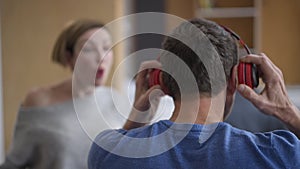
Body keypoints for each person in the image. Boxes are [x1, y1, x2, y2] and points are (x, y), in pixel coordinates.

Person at [88, 18, 300, 169]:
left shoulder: (108, 153)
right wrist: (289, 112)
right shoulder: (279, 153)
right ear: (237, 81)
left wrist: (137, 117)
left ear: (163, 81)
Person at [0, 19, 126, 169]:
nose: (101, 57)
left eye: (106, 47)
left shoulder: (113, 99)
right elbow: (14, 163)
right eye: (88, 49)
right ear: (69, 57)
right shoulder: (40, 100)